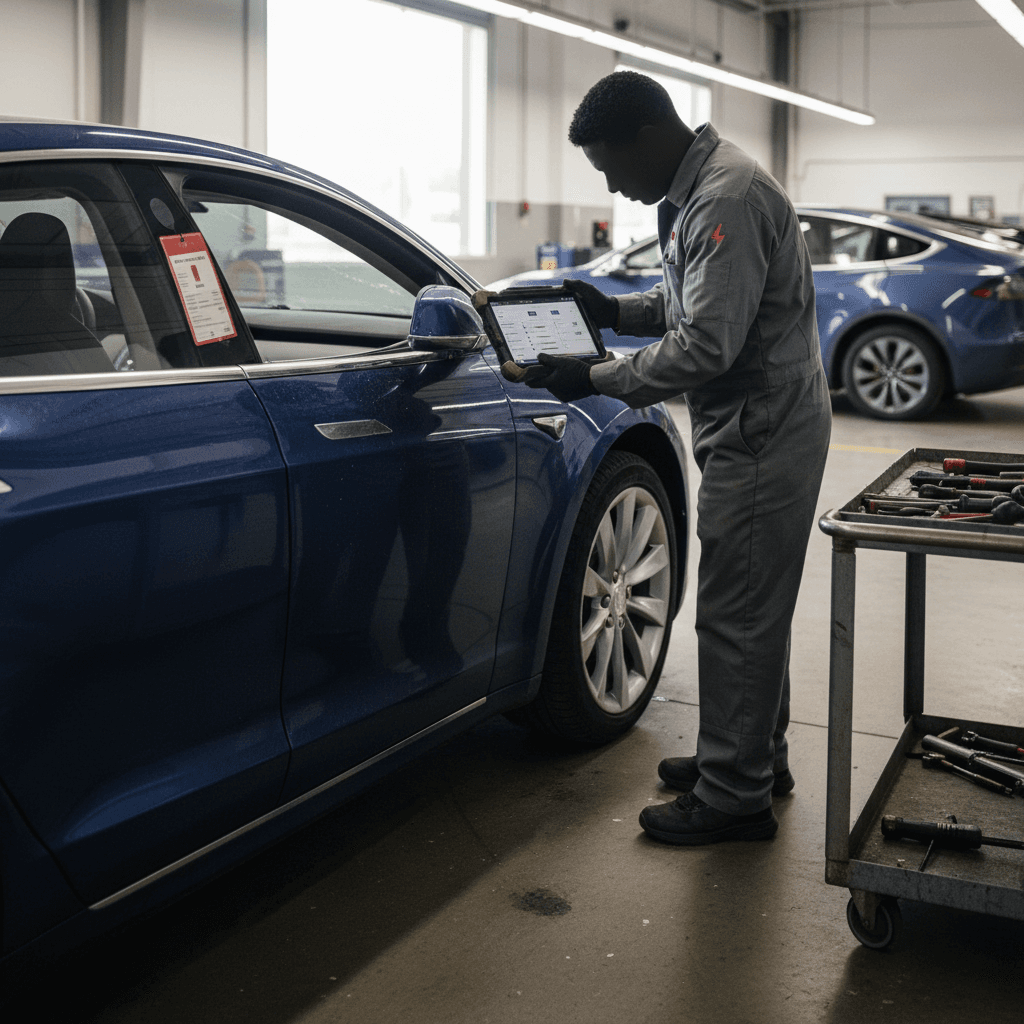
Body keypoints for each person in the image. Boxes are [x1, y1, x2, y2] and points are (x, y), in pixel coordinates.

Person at [516, 70, 831, 846]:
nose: (615, 188)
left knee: (735, 611)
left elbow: (706, 346)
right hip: (758, 419)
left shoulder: (724, 197)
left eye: (612, 168)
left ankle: (735, 796)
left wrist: (590, 377)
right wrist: (611, 310)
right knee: (752, 607)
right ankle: (753, 757)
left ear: (650, 138)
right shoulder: (702, 189)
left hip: (764, 426)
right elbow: (699, 300)